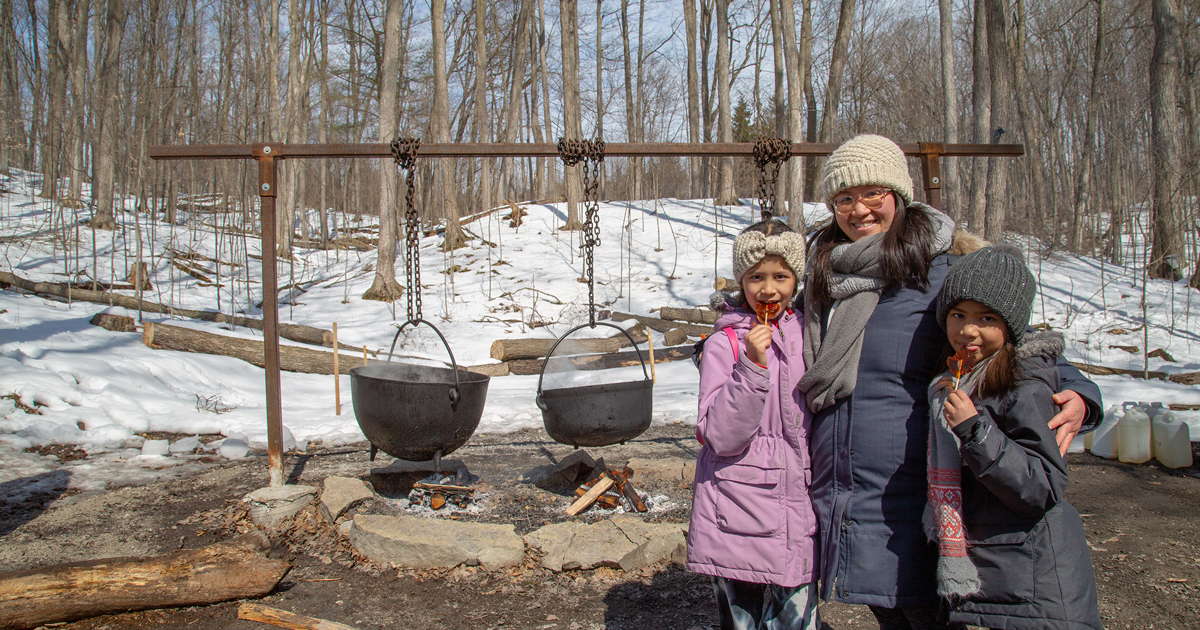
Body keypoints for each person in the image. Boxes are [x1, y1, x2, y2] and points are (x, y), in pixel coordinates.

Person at [798, 134, 1102, 629]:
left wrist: (1082, 392)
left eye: (873, 193)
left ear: (900, 195)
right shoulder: (825, 279)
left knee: (923, 612)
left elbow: (1015, 342)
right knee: (889, 613)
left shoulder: (941, 273)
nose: (859, 209)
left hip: (919, 495)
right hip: (845, 492)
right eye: (845, 197)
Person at [928, 245, 1101, 630]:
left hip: (1035, 578)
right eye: (958, 315)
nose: (968, 330)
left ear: (1011, 325)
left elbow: (1042, 485)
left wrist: (975, 431)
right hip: (1001, 568)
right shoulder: (959, 375)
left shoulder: (1025, 385)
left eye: (986, 318)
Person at [688, 219, 820, 630]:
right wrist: (751, 366)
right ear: (741, 282)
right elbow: (721, 436)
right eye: (756, 277)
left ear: (796, 280)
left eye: (781, 276)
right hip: (736, 507)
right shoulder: (723, 343)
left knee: (796, 619)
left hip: (799, 502)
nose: (768, 289)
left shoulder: (809, 335)